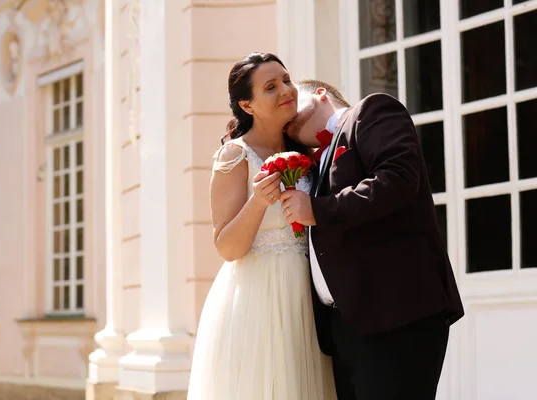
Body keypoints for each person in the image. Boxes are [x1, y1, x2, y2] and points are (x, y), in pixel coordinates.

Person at [281, 80, 465, 400]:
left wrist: (318, 210)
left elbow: (398, 178)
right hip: (344, 327)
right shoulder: (311, 164)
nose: (286, 110)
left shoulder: (371, 111)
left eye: (294, 97)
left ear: (320, 94)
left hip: (395, 314)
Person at [186, 55, 336, 400]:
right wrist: (258, 202)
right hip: (259, 299)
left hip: (308, 298)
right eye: (271, 87)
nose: (286, 90)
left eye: (286, 80)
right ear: (247, 105)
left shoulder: (308, 151)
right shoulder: (235, 156)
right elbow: (227, 247)